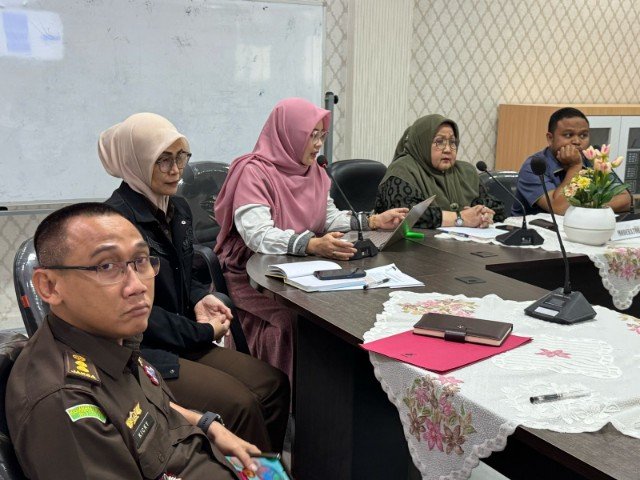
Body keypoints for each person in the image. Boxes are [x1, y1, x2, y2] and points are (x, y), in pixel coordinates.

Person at [6, 203, 260, 479]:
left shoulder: (114, 339)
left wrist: (207, 424)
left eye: (140, 261)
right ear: (49, 286)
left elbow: (143, 407)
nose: (138, 286)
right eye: (106, 266)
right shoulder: (64, 404)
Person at [100, 113, 289, 453]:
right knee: (242, 405)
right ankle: (250, 471)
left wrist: (201, 297)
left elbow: (185, 274)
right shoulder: (115, 225)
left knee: (273, 385)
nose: (176, 170)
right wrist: (202, 332)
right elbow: (136, 315)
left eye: (181, 157)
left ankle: (264, 465)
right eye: (163, 160)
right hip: (142, 352)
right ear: (136, 162)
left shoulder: (178, 209)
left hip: (180, 336)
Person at [213, 97, 407, 379]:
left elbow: (327, 218)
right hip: (251, 273)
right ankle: (289, 396)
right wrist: (311, 244)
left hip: (299, 267)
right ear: (289, 133)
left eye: (321, 135)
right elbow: (258, 236)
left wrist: (373, 221)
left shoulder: (315, 171)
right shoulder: (253, 171)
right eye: (311, 135)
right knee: (294, 322)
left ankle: (336, 393)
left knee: (340, 309)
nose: (318, 144)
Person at [375, 114, 505, 229]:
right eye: (439, 142)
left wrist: (483, 214)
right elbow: (404, 215)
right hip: (414, 246)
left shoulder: (467, 172)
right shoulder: (403, 169)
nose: (448, 149)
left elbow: (498, 209)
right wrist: (460, 218)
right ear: (422, 143)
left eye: (452, 142)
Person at [513, 107, 631, 216]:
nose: (577, 141)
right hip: (536, 230)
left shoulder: (592, 159)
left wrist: (586, 207)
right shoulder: (534, 166)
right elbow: (559, 208)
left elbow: (625, 200)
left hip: (583, 226)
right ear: (550, 138)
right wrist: (575, 167)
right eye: (568, 135)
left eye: (583, 135)